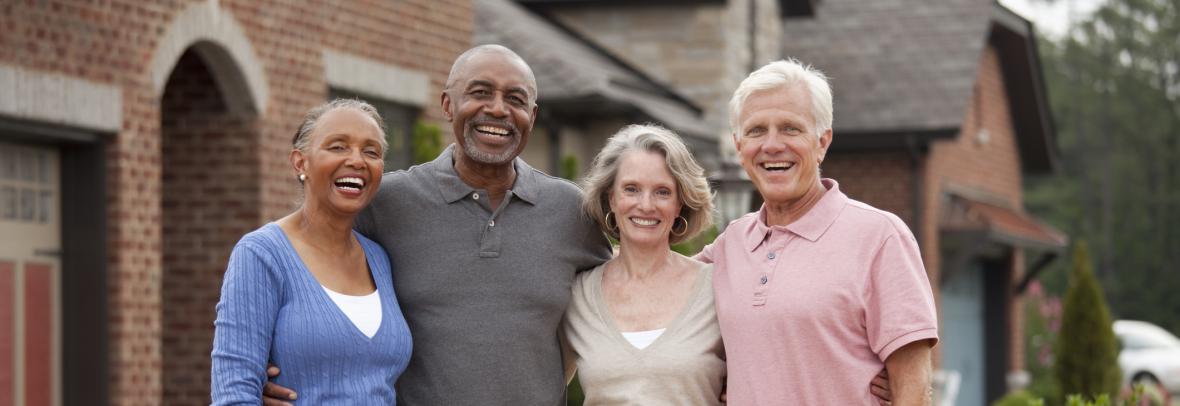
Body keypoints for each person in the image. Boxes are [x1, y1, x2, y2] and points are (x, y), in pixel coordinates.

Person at [262, 45, 613, 405]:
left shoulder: (570, 210)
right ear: (447, 105)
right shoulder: (387, 202)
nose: (497, 108)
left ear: (532, 115)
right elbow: (300, 267)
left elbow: (625, 301)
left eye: (515, 98)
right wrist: (270, 370)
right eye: (479, 93)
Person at [698, 58, 939, 405]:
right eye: (755, 131)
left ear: (822, 141)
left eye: (790, 128)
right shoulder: (728, 246)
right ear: (739, 147)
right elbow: (648, 282)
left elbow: (913, 388)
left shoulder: (880, 237)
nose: (772, 144)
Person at [211, 99, 413, 404]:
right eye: (338, 147)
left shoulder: (380, 259)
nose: (357, 160)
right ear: (300, 162)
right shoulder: (262, 255)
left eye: (371, 151)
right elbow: (234, 393)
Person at [562, 124, 723, 404]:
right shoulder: (579, 294)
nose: (646, 205)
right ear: (612, 197)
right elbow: (544, 386)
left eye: (662, 192)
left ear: (680, 204)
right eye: (631, 189)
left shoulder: (717, 289)